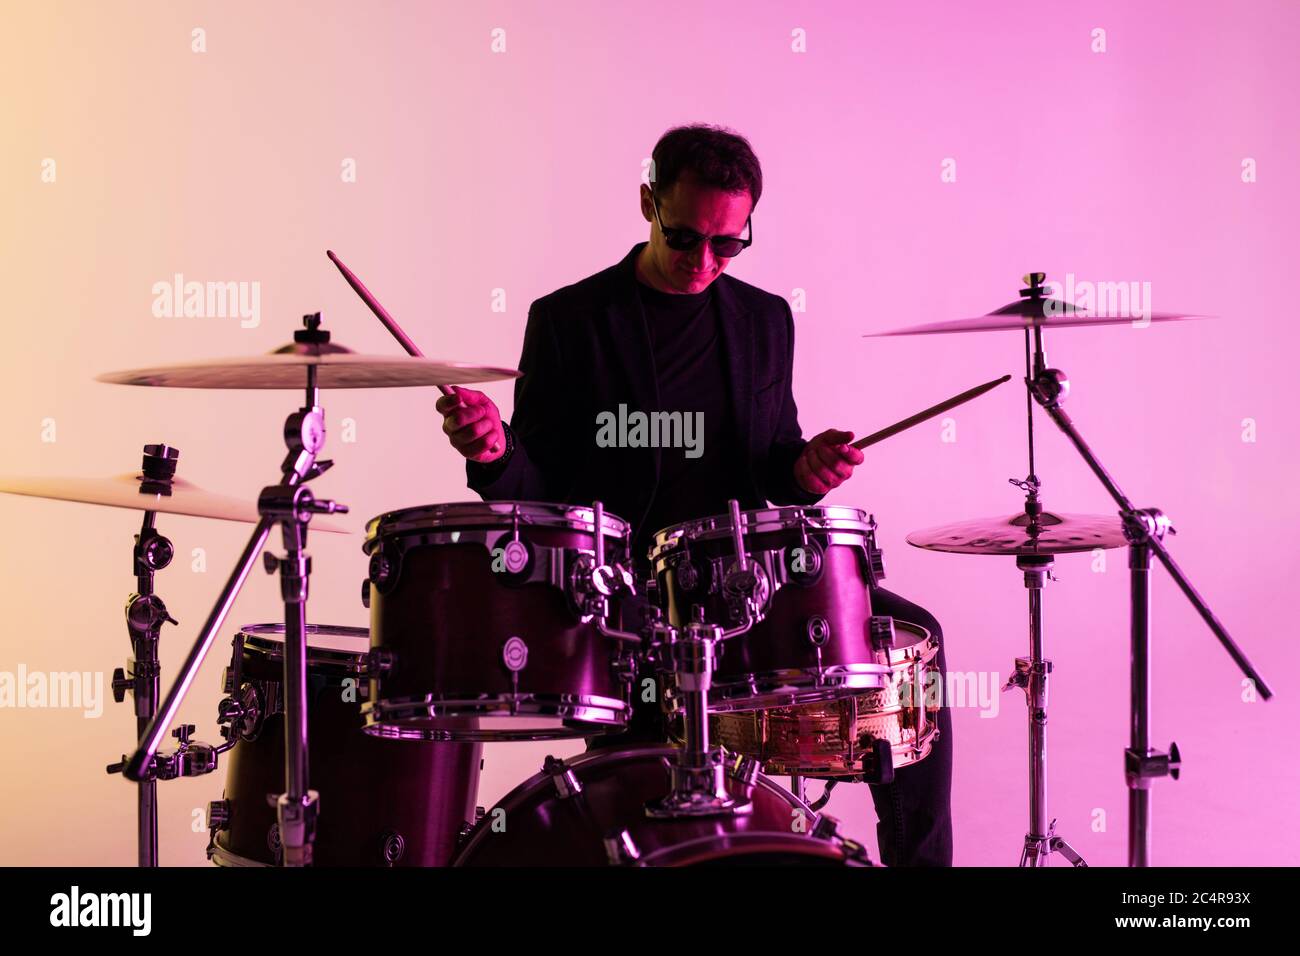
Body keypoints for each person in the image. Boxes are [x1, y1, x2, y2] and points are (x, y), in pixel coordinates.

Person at [437, 124, 952, 866]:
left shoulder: (765, 318)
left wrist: (804, 472)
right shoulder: (571, 321)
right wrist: (493, 455)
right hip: (629, 600)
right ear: (648, 202)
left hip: (756, 587)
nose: (703, 261)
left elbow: (773, 464)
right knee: (656, 805)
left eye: (728, 244)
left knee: (915, 644)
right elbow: (541, 489)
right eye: (684, 238)